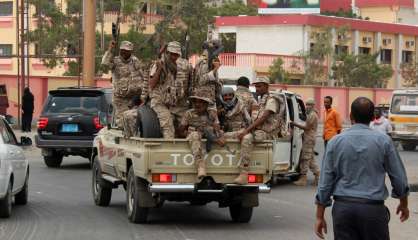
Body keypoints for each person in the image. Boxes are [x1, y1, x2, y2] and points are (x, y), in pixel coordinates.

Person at [315, 97, 410, 240]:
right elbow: (398, 178)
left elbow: (325, 182)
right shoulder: (384, 141)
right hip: (373, 211)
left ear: (351, 116)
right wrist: (403, 203)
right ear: (372, 117)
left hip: (343, 210)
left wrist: (319, 216)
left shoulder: (335, 142)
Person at [236, 77, 285, 184]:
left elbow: (264, 118)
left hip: (267, 133)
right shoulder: (262, 99)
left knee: (247, 138)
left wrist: (247, 131)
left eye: (259, 86)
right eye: (256, 86)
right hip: (258, 130)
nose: (256, 88)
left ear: (266, 86)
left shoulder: (272, 99)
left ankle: (244, 173)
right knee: (235, 134)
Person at [149, 41, 191, 139]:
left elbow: (188, 84)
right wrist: (159, 69)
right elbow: (151, 84)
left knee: (186, 127)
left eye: (176, 54)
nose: (173, 56)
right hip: (160, 102)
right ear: (167, 53)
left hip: (177, 103)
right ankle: (167, 150)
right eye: (171, 54)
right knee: (168, 126)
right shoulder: (159, 63)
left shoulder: (184, 65)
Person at [178, 93, 224, 179]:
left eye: (201, 102)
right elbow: (180, 131)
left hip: (209, 138)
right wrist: (189, 133)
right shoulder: (189, 114)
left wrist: (219, 136)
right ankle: (200, 166)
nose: (197, 104)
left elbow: (217, 127)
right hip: (194, 137)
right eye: (195, 102)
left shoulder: (212, 113)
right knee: (194, 135)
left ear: (206, 104)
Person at [101, 40, 146, 127]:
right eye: (122, 50)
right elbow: (104, 64)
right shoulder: (115, 61)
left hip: (135, 98)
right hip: (121, 99)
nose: (124, 52)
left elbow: (143, 76)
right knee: (123, 122)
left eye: (127, 50)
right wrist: (110, 49)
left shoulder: (135, 61)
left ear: (131, 52)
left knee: (137, 121)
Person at [219, 87, 252, 184]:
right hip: (228, 135)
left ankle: (243, 173)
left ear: (233, 96)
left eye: (230, 95)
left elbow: (249, 121)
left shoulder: (240, 105)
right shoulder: (219, 108)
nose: (228, 98)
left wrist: (245, 131)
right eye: (225, 96)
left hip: (240, 132)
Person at [290, 98, 320, 186]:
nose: (307, 106)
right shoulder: (310, 114)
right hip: (309, 137)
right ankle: (318, 175)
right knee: (310, 158)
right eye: (306, 104)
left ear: (313, 106)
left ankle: (303, 178)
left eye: (309, 105)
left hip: (309, 138)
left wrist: (294, 124)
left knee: (305, 158)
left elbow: (307, 128)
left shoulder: (313, 115)